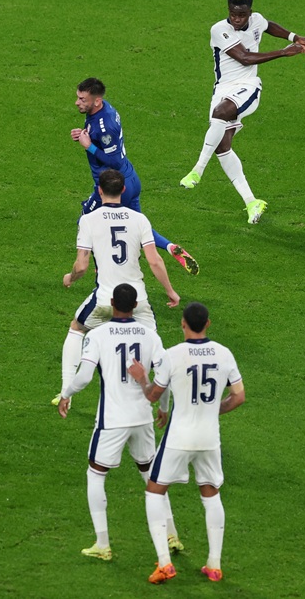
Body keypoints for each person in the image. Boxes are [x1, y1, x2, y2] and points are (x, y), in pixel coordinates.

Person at [56, 283, 183, 561]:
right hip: (142, 419)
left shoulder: (98, 335)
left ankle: (103, 543)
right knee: (152, 478)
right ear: (136, 305)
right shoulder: (150, 336)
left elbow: (85, 376)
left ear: (112, 302)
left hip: (112, 420)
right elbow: (166, 375)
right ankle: (171, 534)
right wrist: (163, 408)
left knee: (96, 474)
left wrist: (66, 393)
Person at [128, 301, 246, 584]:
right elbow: (239, 396)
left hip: (179, 437)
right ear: (208, 324)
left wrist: (142, 378)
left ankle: (165, 563)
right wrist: (214, 409)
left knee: (155, 491)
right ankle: (214, 565)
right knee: (211, 493)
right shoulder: (224, 353)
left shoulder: (172, 355)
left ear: (183, 324)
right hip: (209, 437)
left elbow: (154, 396)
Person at [179, 0, 305, 224]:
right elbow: (244, 57)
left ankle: (197, 169)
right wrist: (283, 53)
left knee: (221, 113)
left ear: (249, 13)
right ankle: (252, 202)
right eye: (233, 14)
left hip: (248, 86)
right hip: (222, 89)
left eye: (242, 15)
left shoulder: (256, 20)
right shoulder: (219, 30)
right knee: (222, 146)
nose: (237, 19)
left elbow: (268, 25)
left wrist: (294, 37)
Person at [53, 169, 180, 406]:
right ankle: (162, 403)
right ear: (123, 190)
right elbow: (154, 261)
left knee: (77, 328)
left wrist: (70, 278)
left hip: (104, 300)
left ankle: (65, 393)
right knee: (156, 351)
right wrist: (170, 291)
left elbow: (81, 266)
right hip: (137, 300)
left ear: (99, 191)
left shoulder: (88, 220)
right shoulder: (139, 220)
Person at [73, 77, 199, 275]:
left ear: (96, 101)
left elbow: (112, 161)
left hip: (113, 185)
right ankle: (170, 247)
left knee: (87, 219)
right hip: (131, 178)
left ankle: (99, 267)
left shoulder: (106, 126)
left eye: (82, 99)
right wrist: (83, 134)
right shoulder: (104, 110)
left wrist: (89, 146)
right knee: (139, 227)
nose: (77, 102)